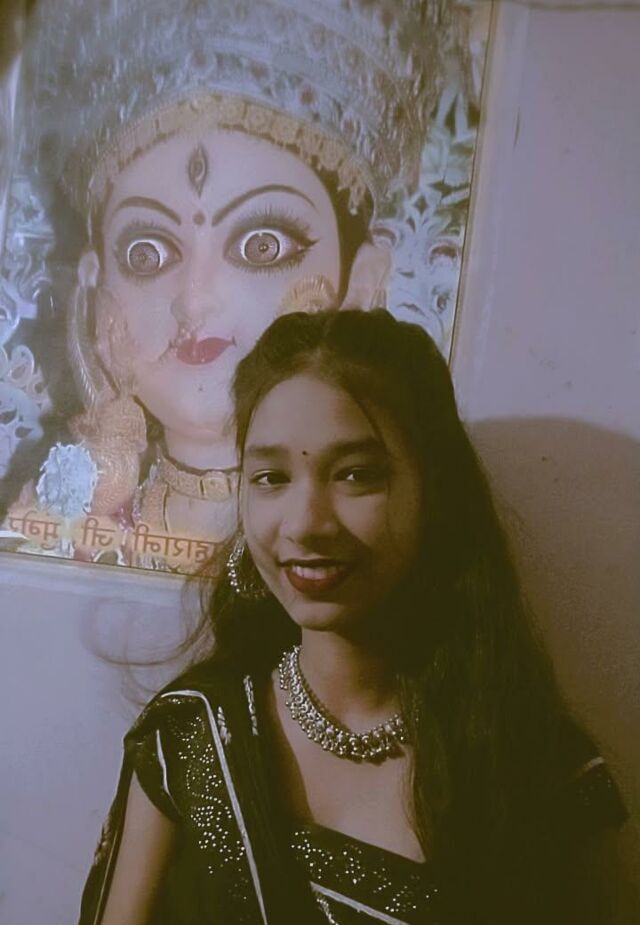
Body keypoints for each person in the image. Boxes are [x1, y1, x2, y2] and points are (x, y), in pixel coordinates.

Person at [11, 309, 632, 925]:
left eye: (357, 474)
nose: (304, 523)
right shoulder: (197, 732)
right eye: (269, 477)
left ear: (435, 492)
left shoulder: (536, 774)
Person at [2, 0, 474, 571]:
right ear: (94, 286)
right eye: (147, 253)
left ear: (361, 282)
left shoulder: (379, 547)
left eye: (262, 246)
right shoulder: (60, 530)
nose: (194, 299)